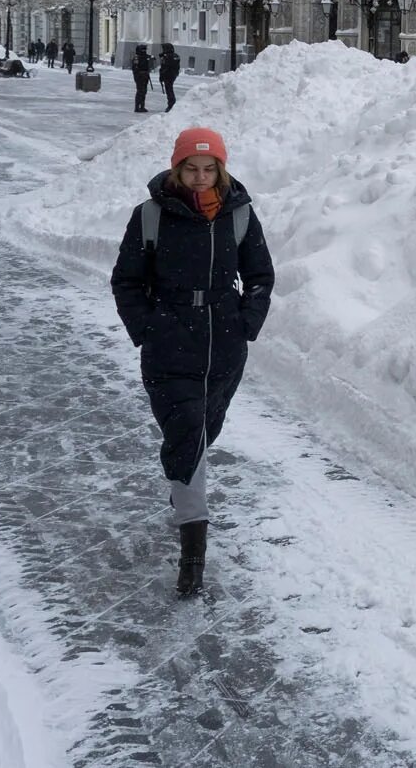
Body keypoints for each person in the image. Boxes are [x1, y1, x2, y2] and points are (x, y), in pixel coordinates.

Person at [109, 128, 275, 596]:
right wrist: (147, 328)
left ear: (220, 170)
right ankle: (193, 555)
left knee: (203, 433)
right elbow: (126, 281)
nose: (200, 177)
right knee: (187, 436)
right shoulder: (150, 216)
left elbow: (260, 275)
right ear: (177, 168)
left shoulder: (239, 215)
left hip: (224, 345)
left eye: (209, 169)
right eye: (190, 168)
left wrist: (246, 322)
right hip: (169, 344)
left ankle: (183, 491)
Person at [158, 43, 181, 113]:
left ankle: (171, 104)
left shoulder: (167, 57)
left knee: (169, 90)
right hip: (173, 74)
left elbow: (164, 67)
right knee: (169, 89)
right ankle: (171, 103)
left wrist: (161, 76)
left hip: (168, 75)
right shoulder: (175, 56)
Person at [130, 44, 153, 114]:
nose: (144, 51)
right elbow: (135, 68)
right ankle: (137, 107)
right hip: (139, 77)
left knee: (144, 91)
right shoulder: (136, 58)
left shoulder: (146, 57)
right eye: (143, 49)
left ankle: (142, 106)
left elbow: (150, 61)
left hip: (145, 76)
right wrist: (139, 75)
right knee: (140, 91)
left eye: (145, 49)